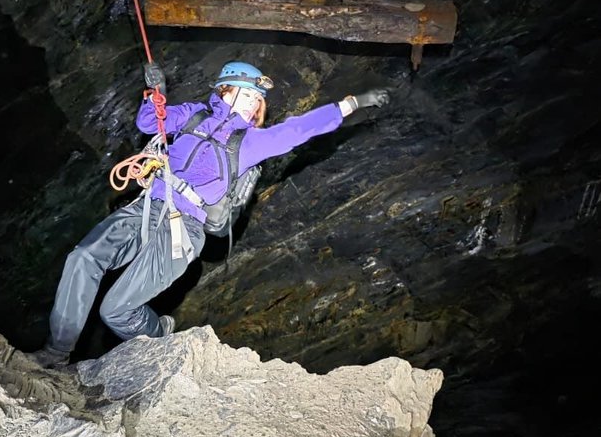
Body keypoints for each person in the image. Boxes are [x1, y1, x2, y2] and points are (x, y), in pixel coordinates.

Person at [30, 60, 389, 367]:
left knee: (117, 311)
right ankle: (56, 352)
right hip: (146, 207)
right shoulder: (193, 115)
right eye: (248, 95)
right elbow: (148, 124)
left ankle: (159, 334)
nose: (253, 105)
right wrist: (154, 93)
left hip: (183, 228)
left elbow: (295, 131)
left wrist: (348, 105)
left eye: (258, 100)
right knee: (82, 258)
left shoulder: (249, 142)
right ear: (225, 90)